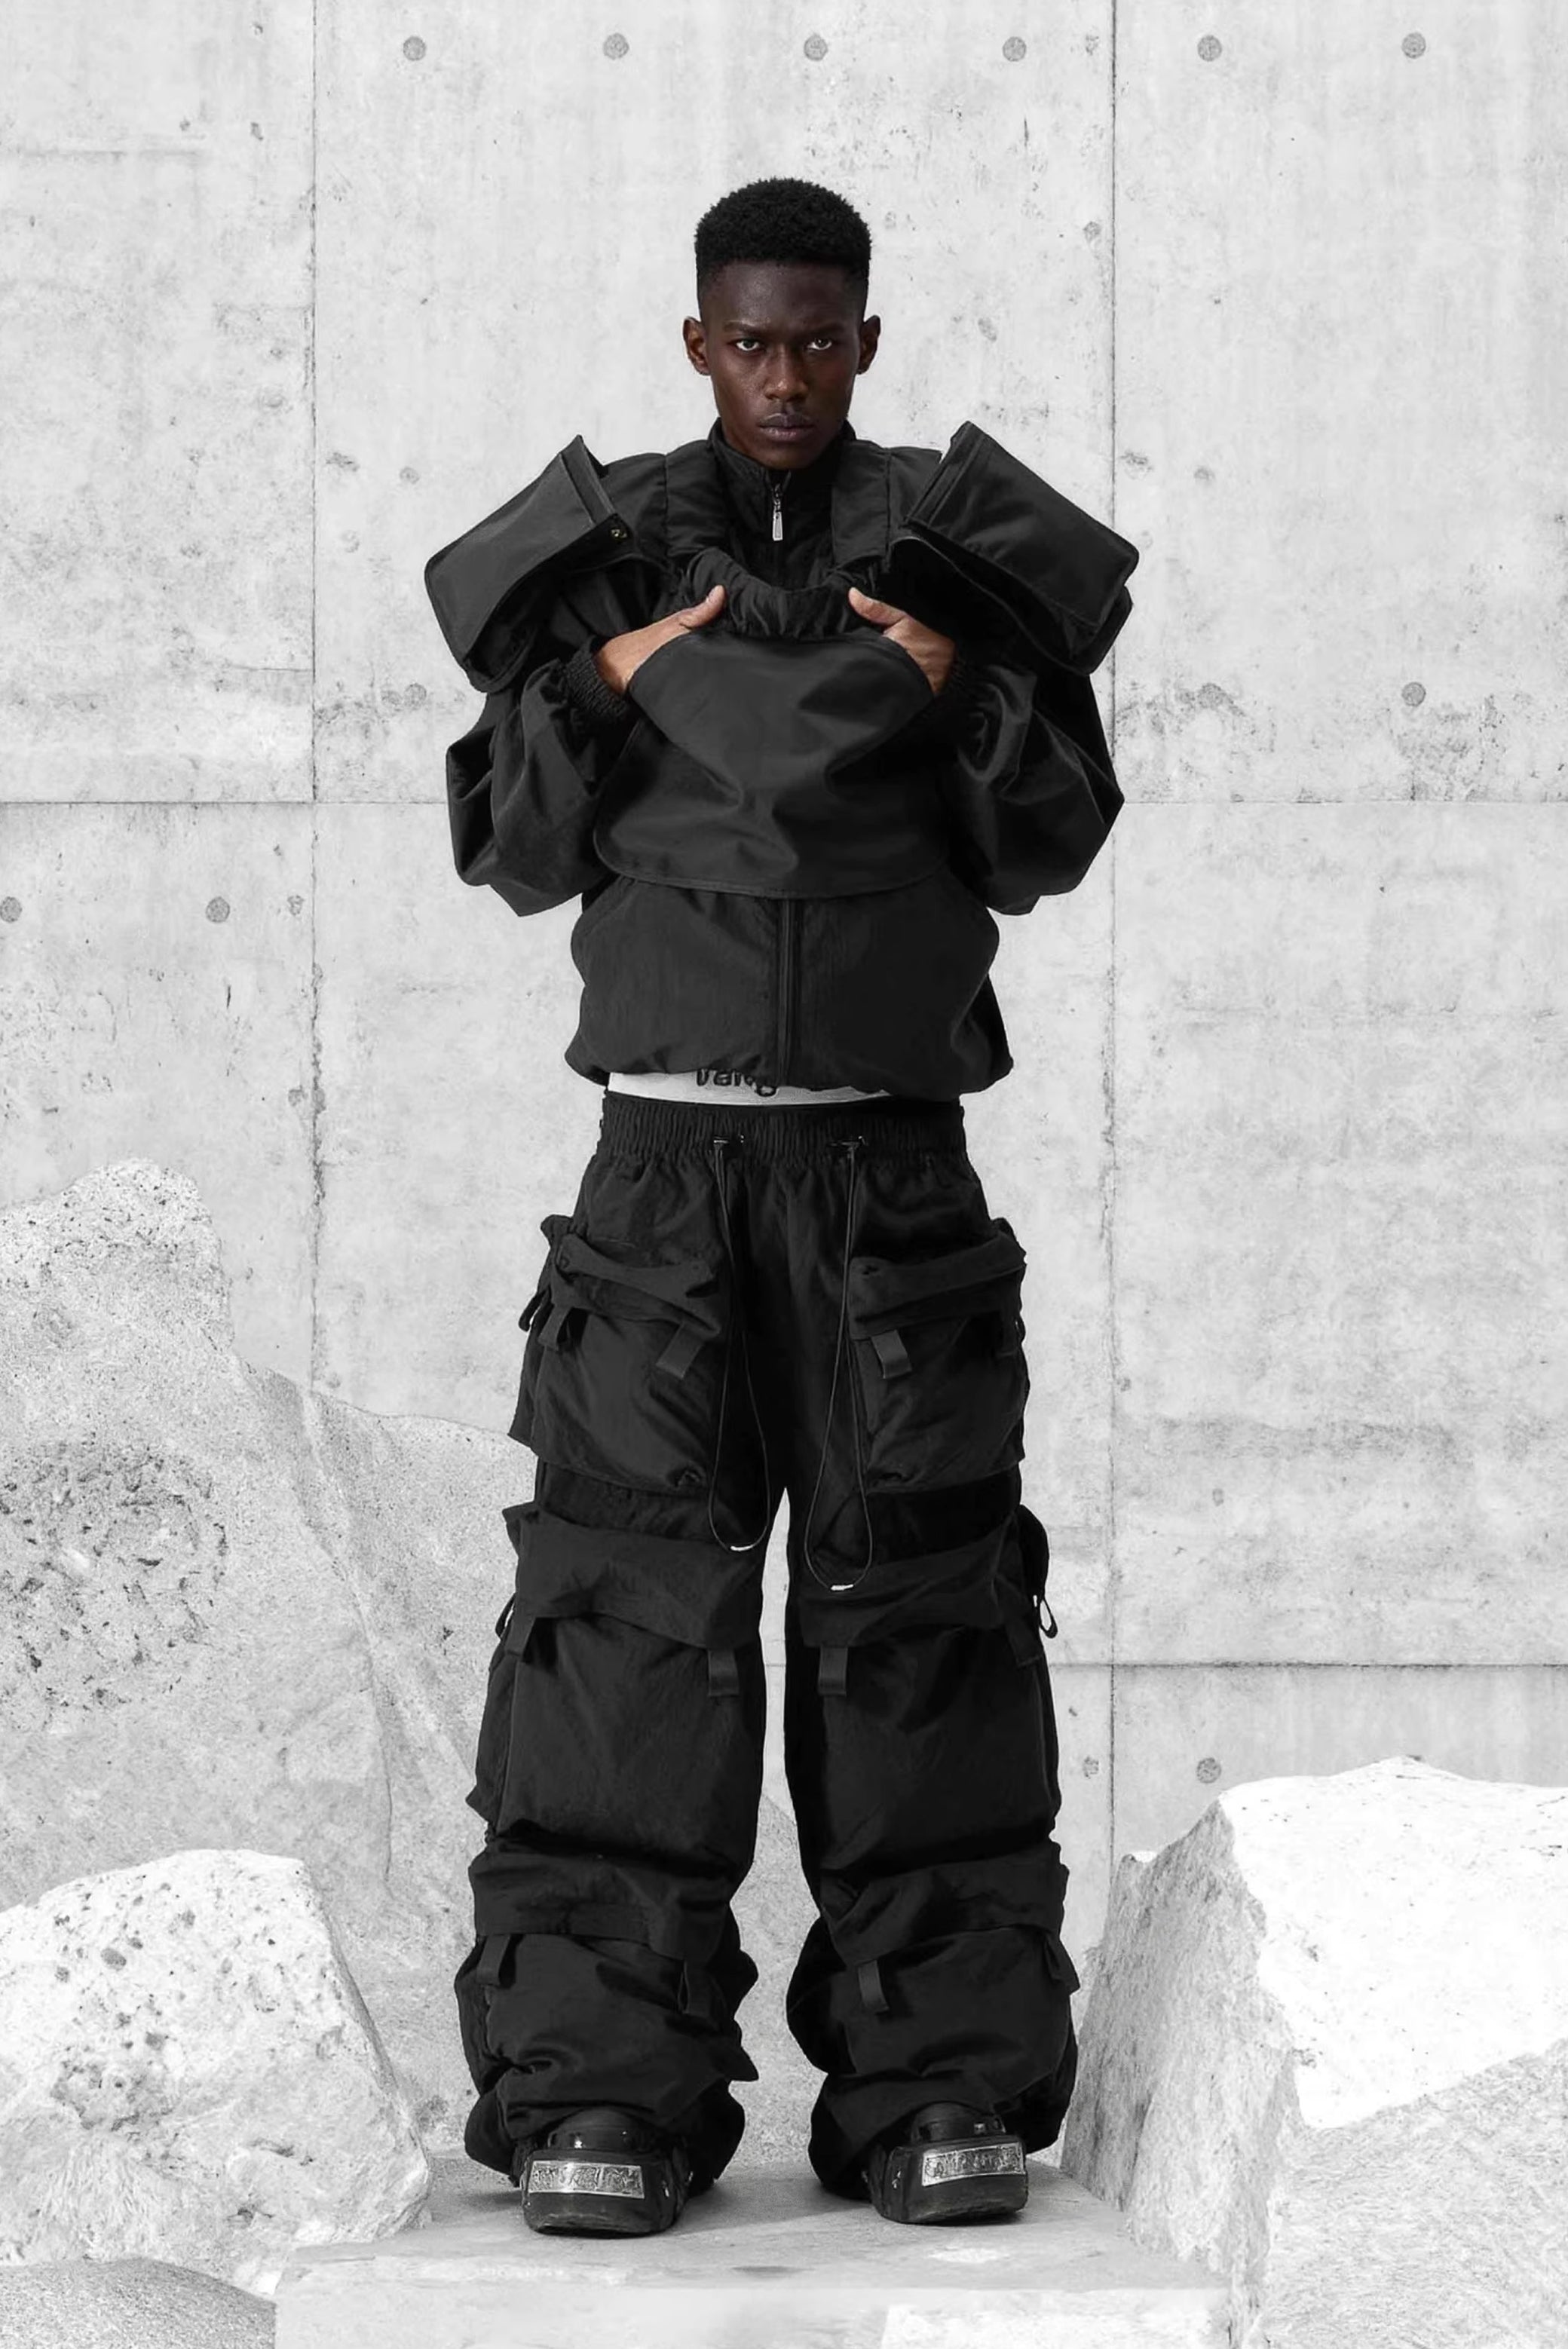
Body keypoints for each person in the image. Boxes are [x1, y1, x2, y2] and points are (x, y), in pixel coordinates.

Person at [424, 174, 1137, 2236]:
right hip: (661, 1170)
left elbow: (1048, 842)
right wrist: (605, 680)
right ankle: (599, 2094)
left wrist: (955, 675)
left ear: (868, 341)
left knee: (920, 1616)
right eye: (751, 340)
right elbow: (515, 855)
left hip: (889, 1168)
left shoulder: (953, 548)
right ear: (697, 343)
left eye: (820, 339)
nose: (787, 374)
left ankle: (939, 2086)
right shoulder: (611, 554)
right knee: (623, 1624)